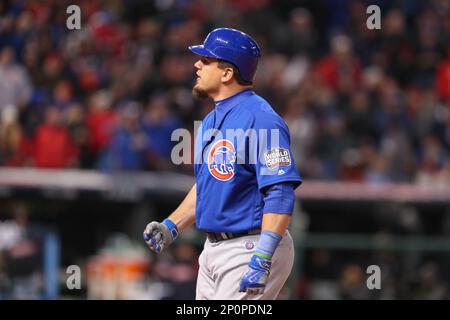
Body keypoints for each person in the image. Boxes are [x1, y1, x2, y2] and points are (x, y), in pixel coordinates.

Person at [143, 28, 302, 300]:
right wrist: (172, 225)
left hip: (250, 246)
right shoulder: (210, 121)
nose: (197, 64)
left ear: (227, 73)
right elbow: (209, 186)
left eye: (206, 60)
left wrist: (263, 255)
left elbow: (280, 191)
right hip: (214, 248)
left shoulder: (261, 119)